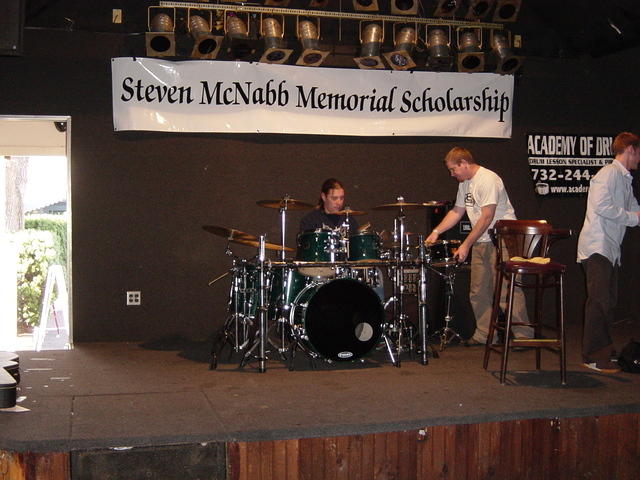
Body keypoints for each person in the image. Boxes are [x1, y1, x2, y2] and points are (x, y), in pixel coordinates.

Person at [425, 147, 533, 345]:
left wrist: (466, 244)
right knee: (478, 290)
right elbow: (457, 212)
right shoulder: (465, 184)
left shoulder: (488, 179)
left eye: (453, 169)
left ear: (464, 163)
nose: (452, 174)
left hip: (502, 238)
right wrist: (436, 231)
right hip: (482, 241)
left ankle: (523, 336)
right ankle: (485, 335)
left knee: (506, 290)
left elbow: (486, 217)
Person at [577, 131, 640, 373]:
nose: (639, 158)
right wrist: (631, 217)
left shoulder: (624, 179)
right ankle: (594, 356)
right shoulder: (608, 174)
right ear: (631, 149)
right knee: (599, 302)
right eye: (638, 152)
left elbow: (633, 209)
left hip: (610, 248)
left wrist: (634, 216)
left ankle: (603, 349)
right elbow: (602, 207)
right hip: (597, 246)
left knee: (608, 301)